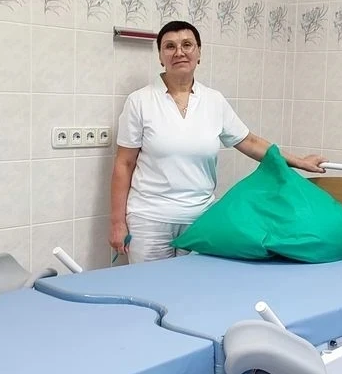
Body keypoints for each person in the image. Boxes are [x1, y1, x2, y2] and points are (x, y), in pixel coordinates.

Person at [110, 20, 327, 264]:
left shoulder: (214, 100)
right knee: (149, 285)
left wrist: (298, 161)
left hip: (201, 219)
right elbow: (124, 164)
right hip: (149, 220)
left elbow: (249, 141)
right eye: (170, 46)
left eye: (187, 45)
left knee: (196, 286)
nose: (179, 52)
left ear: (199, 53)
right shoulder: (139, 101)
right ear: (160, 57)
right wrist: (118, 223)